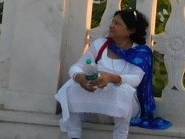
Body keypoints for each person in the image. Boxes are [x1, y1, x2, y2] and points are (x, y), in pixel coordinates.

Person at [56, 8, 170, 138]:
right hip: (93, 107)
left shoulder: (141, 52)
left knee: (123, 91)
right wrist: (81, 78)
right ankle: (74, 135)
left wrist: (111, 78)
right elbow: (76, 67)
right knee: (72, 85)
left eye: (117, 24)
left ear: (130, 31)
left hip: (125, 107)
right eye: (113, 22)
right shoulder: (101, 44)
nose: (111, 26)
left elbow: (136, 79)